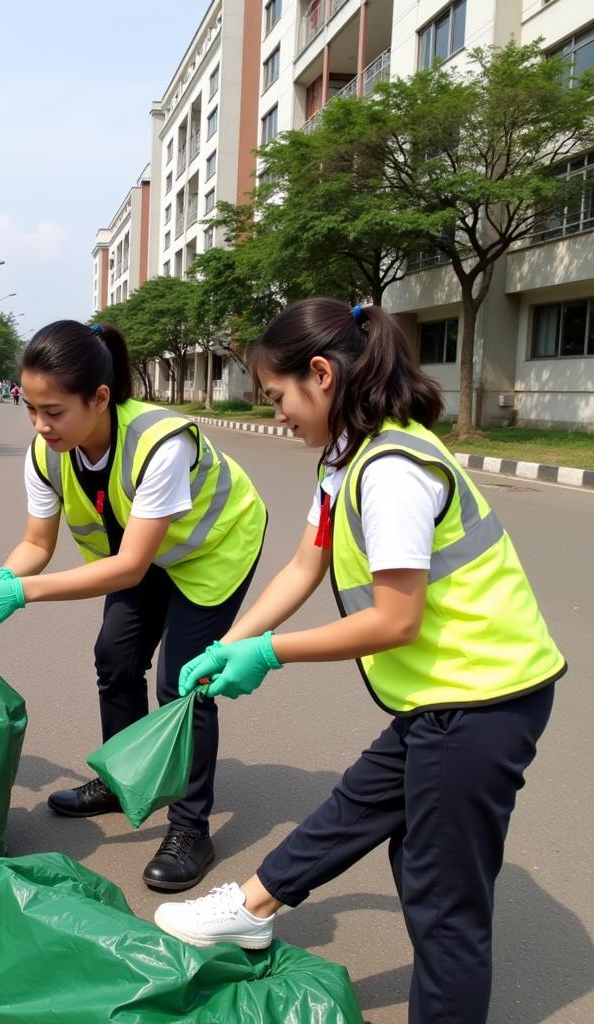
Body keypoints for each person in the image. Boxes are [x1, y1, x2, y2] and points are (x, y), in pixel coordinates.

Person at [153, 298, 564, 1024]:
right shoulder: (346, 458)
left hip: (478, 701)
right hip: (447, 696)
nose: (277, 413)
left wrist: (270, 653)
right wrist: (230, 642)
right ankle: (253, 906)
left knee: (443, 905)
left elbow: (396, 620)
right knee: (361, 805)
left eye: (277, 396)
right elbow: (302, 567)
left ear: (320, 374)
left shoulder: (392, 470)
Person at [0, 320, 268, 891]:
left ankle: (191, 826)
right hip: (140, 552)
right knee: (115, 657)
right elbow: (36, 544)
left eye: (54, 411)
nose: (41, 426)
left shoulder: (160, 443)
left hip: (210, 552)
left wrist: (21, 593)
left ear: (99, 398)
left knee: (184, 682)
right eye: (31, 409)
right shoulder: (46, 454)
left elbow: (129, 567)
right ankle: (125, 780)